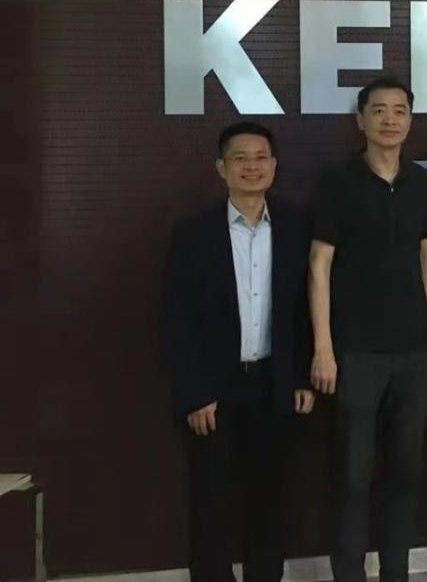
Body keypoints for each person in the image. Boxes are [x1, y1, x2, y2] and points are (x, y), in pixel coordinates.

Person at [161, 121, 315, 582]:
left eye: (261, 157)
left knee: (270, 501)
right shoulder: (193, 233)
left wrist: (302, 376)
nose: (252, 166)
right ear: (221, 168)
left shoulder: (296, 226)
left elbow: (305, 308)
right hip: (215, 390)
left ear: (275, 165)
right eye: (240, 158)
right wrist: (195, 393)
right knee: (212, 502)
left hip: (274, 384)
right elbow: (177, 319)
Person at [308, 76, 427, 582]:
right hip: (356, 352)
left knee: (406, 473)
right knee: (353, 475)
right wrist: (323, 347)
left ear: (411, 120)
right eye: (378, 110)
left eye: (399, 110)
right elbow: (319, 265)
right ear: (360, 120)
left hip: (414, 353)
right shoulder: (337, 182)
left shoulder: (421, 182)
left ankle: (395, 573)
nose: (390, 119)